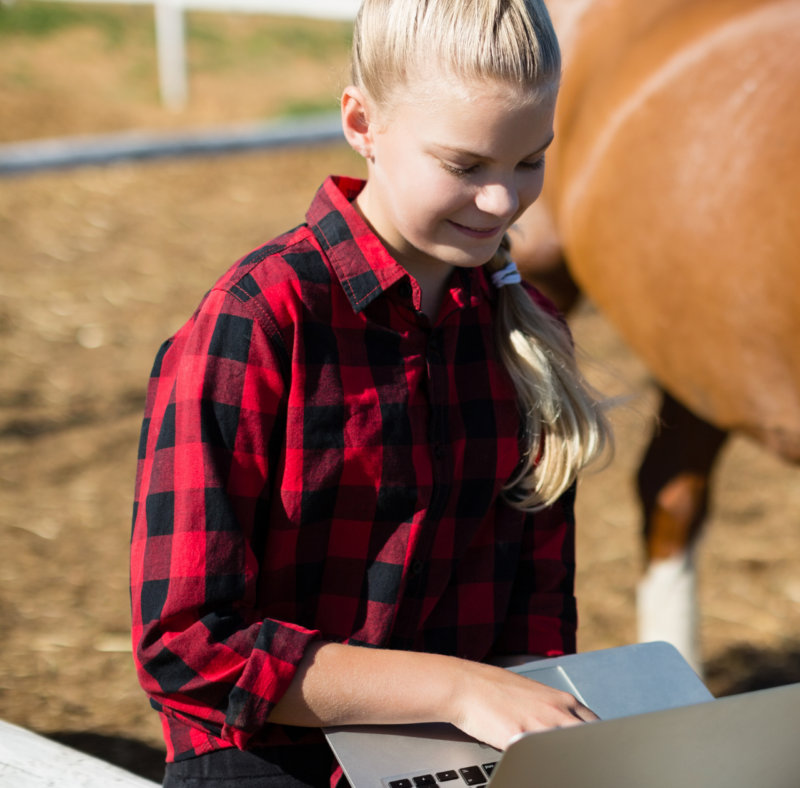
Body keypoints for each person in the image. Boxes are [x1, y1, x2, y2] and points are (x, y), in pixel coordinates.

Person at [128, 1, 612, 785]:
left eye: (530, 161)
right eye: (464, 165)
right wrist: (456, 687)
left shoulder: (525, 331)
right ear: (362, 121)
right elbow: (186, 645)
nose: (502, 201)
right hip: (272, 763)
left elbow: (536, 620)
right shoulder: (259, 321)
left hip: (461, 762)